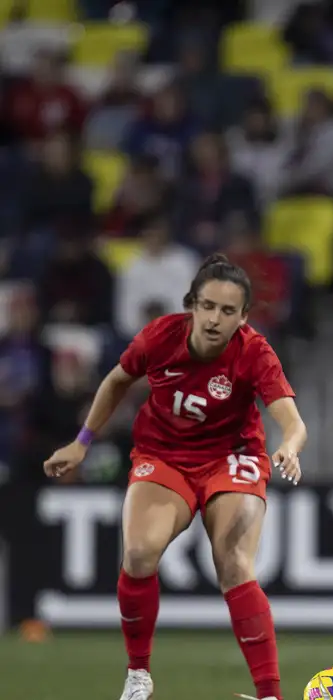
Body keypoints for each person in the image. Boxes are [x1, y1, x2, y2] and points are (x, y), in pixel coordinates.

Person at [42, 255, 308, 700]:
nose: (214, 319)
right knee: (140, 552)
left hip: (232, 457)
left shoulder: (255, 351)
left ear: (243, 317)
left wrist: (289, 447)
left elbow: (293, 422)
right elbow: (115, 381)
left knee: (234, 564)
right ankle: (139, 676)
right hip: (163, 455)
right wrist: (82, 441)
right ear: (191, 305)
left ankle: (269, 695)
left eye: (228, 311)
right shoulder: (159, 337)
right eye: (207, 306)